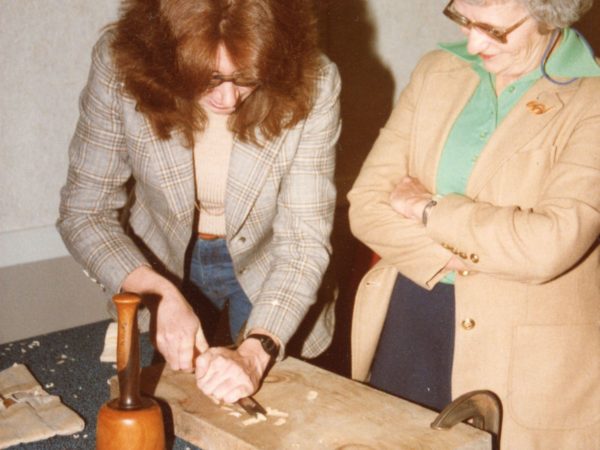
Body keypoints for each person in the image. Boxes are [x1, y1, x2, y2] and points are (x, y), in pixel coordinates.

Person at [58, 0, 341, 404]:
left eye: (246, 78)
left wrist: (255, 353)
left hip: (270, 265)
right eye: (208, 78)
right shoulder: (121, 63)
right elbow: (84, 210)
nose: (228, 99)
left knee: (273, 406)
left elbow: (302, 242)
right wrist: (157, 291)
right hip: (161, 256)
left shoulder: (314, 80)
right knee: (167, 404)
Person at [348, 0, 599, 448]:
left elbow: (550, 243)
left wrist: (429, 210)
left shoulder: (592, 98)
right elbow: (366, 203)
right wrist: (460, 255)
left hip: (526, 352)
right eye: (462, 19)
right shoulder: (436, 71)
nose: (473, 41)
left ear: (550, 15)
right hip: (414, 309)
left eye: (494, 30)